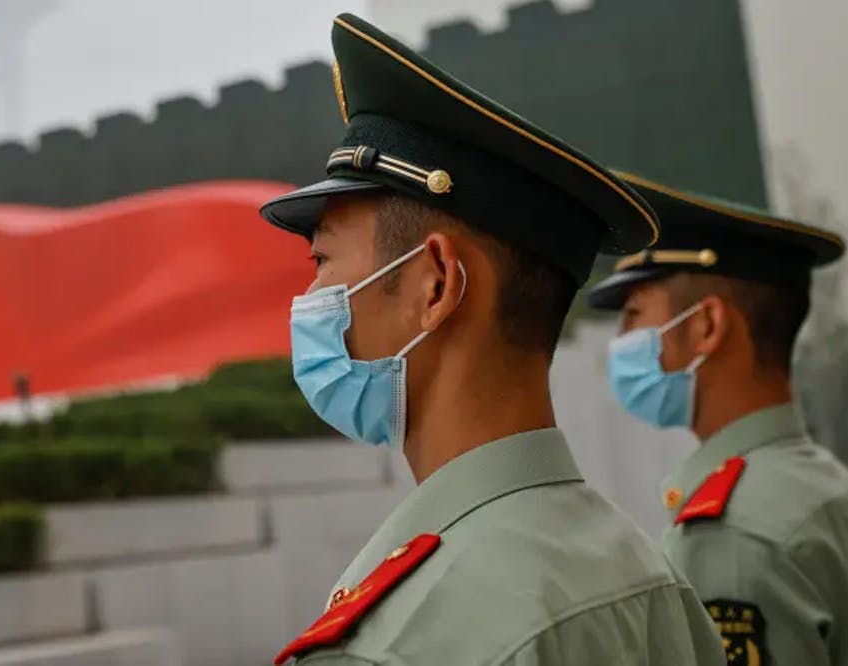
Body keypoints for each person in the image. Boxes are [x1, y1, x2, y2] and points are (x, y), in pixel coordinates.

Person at [261, 14, 724, 666]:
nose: (310, 302)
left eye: (322, 264)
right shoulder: (656, 587)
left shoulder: (397, 642)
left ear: (435, 284)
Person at [588, 172, 848, 666]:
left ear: (706, 326)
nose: (620, 340)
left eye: (633, 315)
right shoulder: (826, 483)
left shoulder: (733, 532)